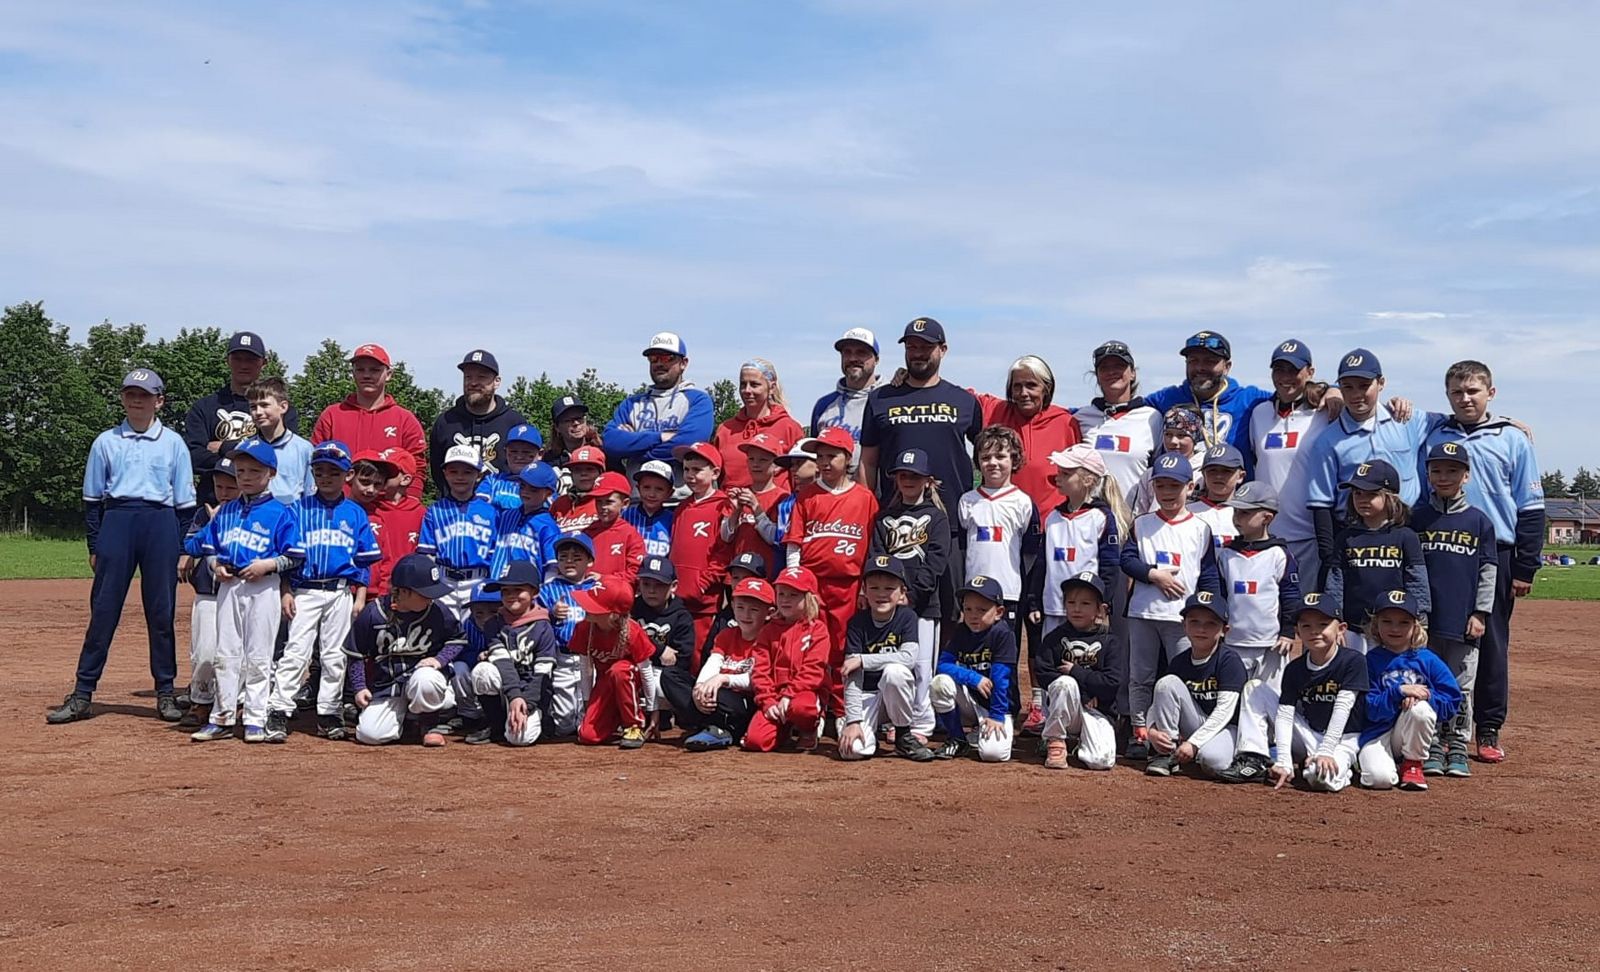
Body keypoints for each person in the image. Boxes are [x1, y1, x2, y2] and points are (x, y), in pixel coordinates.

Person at [51, 370, 197, 726]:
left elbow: (185, 505)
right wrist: (94, 543)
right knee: (103, 610)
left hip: (160, 521)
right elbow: (92, 501)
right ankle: (83, 692)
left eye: (144, 395)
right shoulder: (106, 441)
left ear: (159, 400)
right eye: (131, 394)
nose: (137, 400)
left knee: (161, 612)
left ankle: (165, 692)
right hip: (117, 519)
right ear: (122, 399)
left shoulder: (173, 442)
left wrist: (183, 548)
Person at [1421, 359, 1544, 764]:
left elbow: (1531, 506)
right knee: (1437, 637)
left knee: (1490, 642)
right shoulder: (1435, 432)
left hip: (1497, 551)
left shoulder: (1512, 438)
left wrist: (1525, 566)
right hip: (1440, 544)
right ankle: (1439, 727)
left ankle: (1488, 727)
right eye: (1456, 392)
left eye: (1473, 391)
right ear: (1447, 396)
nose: (1465, 398)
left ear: (1491, 393)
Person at [859, 317, 983, 617]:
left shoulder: (964, 401)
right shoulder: (881, 399)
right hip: (895, 525)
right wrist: (867, 510)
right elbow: (868, 461)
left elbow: (986, 451)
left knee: (951, 613)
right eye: (911, 347)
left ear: (943, 350)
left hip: (950, 524)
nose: (917, 353)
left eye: (925, 347)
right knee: (894, 611)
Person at [188, 439, 302, 742]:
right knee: (226, 653)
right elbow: (207, 547)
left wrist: (268, 565)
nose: (246, 477)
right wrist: (215, 565)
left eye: (254, 471)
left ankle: (255, 717)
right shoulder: (226, 511)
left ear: (271, 473)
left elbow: (295, 555)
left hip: (263, 586)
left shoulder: (281, 512)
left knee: (259, 654)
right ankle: (222, 717)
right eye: (241, 471)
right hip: (230, 585)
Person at [265, 441, 380, 742]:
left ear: (348, 475)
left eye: (334, 472)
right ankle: (278, 709)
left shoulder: (355, 513)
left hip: (340, 591)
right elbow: (286, 557)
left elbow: (364, 560)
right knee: (296, 652)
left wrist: (360, 596)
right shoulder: (297, 509)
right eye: (320, 471)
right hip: (305, 589)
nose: (326, 477)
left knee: (335, 655)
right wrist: (286, 590)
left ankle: (329, 713)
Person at [1119, 452, 1220, 760]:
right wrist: (1154, 575)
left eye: (1174, 486)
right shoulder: (1142, 523)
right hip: (1143, 612)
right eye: (1160, 485)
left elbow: (1209, 576)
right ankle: (1139, 732)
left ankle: (1175, 733)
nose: (1167, 492)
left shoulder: (1200, 528)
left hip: (1182, 619)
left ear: (1190, 487)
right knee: (1141, 677)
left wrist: (1211, 613)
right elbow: (1127, 560)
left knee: (1181, 679)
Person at [1027, 444, 1126, 733]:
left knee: (1089, 663)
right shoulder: (1053, 517)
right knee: (1053, 667)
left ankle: (1094, 722)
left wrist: (1104, 604)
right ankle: (1052, 725)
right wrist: (1034, 601)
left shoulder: (1101, 517)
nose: (1057, 477)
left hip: (1088, 612)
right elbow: (1042, 564)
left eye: (1066, 472)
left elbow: (1109, 567)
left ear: (1088, 479)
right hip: (1054, 608)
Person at [1411, 441, 1497, 777]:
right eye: (1436, 470)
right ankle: (1432, 742)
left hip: (1463, 620)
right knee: (1427, 680)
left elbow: (1488, 570)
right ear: (1428, 474)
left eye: (1452, 470)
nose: (1443, 477)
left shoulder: (1479, 521)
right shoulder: (1417, 518)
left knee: (1461, 686)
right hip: (1426, 621)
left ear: (1466, 476)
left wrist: (1481, 612)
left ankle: (1458, 743)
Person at [1301, 348, 1431, 567]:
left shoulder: (1407, 419)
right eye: (1348, 387)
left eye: (1364, 386)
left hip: (1407, 532)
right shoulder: (1328, 440)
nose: (1356, 394)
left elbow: (1457, 423)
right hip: (1356, 537)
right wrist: (1330, 559)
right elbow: (1321, 503)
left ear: (1381, 383)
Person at [784, 427, 877, 717]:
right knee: (810, 645)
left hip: (849, 585)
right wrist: (794, 582)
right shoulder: (807, 496)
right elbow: (795, 543)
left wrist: (866, 587)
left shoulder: (864, 498)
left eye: (831, 456)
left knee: (842, 647)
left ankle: (841, 709)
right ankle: (813, 706)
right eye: (820, 456)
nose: (824, 462)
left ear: (847, 458)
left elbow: (873, 549)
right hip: (813, 585)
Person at [1233, 592, 1366, 792]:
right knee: (1255, 688)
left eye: (1323, 624)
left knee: (1319, 778)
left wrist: (1326, 751)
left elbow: (1343, 707)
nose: (1314, 631)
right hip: (1308, 733)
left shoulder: (1353, 661)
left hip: (1342, 740)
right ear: (1297, 632)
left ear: (1341, 629)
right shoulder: (1295, 668)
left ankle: (1346, 768)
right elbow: (1285, 714)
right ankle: (1255, 757)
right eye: (1306, 626)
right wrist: (1284, 760)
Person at [1143, 330, 1340, 460]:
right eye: (1193, 361)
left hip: (1235, 505)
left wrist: (1333, 389)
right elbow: (1130, 406)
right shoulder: (1167, 399)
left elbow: (1289, 391)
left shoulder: (1249, 400)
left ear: (1227, 367)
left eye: (1210, 361)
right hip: (1180, 503)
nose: (1200, 367)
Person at [868, 448, 949, 742]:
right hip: (890, 605)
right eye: (903, 475)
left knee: (921, 666)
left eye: (915, 475)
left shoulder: (936, 517)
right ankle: (896, 719)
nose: (908, 480)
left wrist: (912, 593)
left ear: (928, 480)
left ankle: (922, 723)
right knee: (893, 663)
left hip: (924, 605)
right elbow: (877, 558)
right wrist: (889, 595)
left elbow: (937, 561)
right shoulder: (885, 517)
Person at [345, 553, 468, 747]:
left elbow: (457, 639)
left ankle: (429, 724)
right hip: (387, 685)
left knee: (426, 679)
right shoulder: (374, 613)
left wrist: (440, 660)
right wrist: (359, 687)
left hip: (421, 679)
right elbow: (356, 653)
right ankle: (407, 719)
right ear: (403, 591)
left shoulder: (437, 610)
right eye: (425, 594)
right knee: (370, 735)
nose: (431, 599)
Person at [183, 331, 300, 515]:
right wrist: (247, 464)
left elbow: (279, 454)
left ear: (264, 362)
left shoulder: (280, 410)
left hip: (266, 507)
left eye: (251, 359)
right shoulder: (204, 407)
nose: (244, 365)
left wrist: (225, 447)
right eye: (237, 358)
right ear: (227, 361)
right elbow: (194, 457)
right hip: (213, 505)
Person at [1357, 590, 1462, 791]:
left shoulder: (1427, 659)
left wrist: (1425, 697)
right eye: (1387, 621)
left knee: (1420, 710)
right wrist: (1398, 692)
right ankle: (1382, 761)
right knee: (1379, 780)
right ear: (1376, 625)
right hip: (1377, 732)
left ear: (1415, 626)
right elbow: (1369, 709)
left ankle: (1413, 764)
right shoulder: (1369, 661)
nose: (1395, 628)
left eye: (1404, 622)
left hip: (1410, 730)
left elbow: (1451, 700)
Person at [1322, 459, 1430, 654]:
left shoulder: (1405, 536)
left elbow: (1417, 581)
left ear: (1390, 497)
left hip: (1393, 628)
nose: (1362, 499)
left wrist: (1420, 619)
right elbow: (1335, 583)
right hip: (1353, 629)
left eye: (1371, 494)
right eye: (1357, 493)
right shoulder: (1346, 538)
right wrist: (1334, 619)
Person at [836, 556, 935, 762]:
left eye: (889, 588)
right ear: (864, 590)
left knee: (895, 672)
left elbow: (908, 658)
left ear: (902, 593)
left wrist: (863, 660)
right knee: (852, 751)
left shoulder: (907, 617)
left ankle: (903, 735)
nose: (881, 594)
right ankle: (867, 730)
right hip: (868, 694)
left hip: (897, 697)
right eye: (874, 588)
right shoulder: (857, 623)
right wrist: (853, 721)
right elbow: (852, 676)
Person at [968, 355, 1083, 519]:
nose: (1023, 393)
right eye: (1017, 386)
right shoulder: (995, 410)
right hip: (1001, 522)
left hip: (1052, 524)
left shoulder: (1066, 423)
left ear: (1047, 388)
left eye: (1031, 385)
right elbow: (956, 396)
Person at [1144, 592, 1245, 779]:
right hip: (1197, 721)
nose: (1201, 629)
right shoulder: (1179, 661)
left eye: (1211, 624)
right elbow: (1160, 698)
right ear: (1184, 625)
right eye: (1194, 622)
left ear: (1225, 630)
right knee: (1166, 683)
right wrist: (1151, 730)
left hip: (1227, 726)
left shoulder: (1229, 661)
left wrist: (1194, 743)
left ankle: (1223, 753)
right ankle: (1167, 753)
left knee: (1214, 761)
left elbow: (1225, 711)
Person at [312, 343, 427, 500]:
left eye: (374, 370)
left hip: (387, 506)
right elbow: (315, 459)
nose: (367, 375)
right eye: (360, 370)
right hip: (339, 504)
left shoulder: (405, 419)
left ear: (388, 374)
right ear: (353, 373)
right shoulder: (332, 415)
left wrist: (411, 502)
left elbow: (417, 467)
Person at [1215, 482, 1299, 691]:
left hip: (1271, 644)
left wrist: (1288, 632)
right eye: (1235, 511)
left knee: (1269, 696)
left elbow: (1290, 597)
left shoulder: (1279, 554)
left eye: (1245, 513)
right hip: (1233, 641)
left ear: (1267, 518)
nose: (1237, 518)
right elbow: (1220, 596)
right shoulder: (1226, 554)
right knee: (1233, 694)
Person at [1036, 572, 1123, 771]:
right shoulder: (1054, 639)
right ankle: (1055, 740)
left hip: (1098, 709)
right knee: (1064, 683)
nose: (1076, 609)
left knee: (1100, 761)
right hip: (1068, 708)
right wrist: (1083, 693)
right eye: (1071, 602)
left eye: (1085, 603)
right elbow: (1043, 673)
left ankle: (1079, 745)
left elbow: (1112, 682)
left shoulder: (1110, 641)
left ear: (1100, 609)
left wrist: (1076, 671)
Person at [929, 574, 1019, 763]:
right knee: (940, 683)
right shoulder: (961, 631)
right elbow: (942, 665)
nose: (973, 615)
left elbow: (1001, 679)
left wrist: (997, 715)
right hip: (970, 699)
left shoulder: (1003, 634)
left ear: (999, 612)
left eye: (982, 610)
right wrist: (973, 678)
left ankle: (985, 730)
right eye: (968, 609)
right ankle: (957, 738)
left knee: (993, 754)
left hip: (997, 705)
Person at [466, 562, 558, 747]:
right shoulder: (493, 624)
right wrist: (515, 697)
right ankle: (496, 724)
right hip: (508, 690)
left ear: (534, 592)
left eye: (518, 589)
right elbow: (503, 664)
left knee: (520, 739)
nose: (510, 595)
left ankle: (541, 716)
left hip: (533, 692)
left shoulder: (543, 626)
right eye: (505, 591)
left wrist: (527, 704)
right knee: (483, 670)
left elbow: (543, 674)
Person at [673, 576, 770, 751]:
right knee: (671, 676)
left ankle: (721, 728)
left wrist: (722, 679)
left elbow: (758, 681)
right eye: (740, 607)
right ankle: (716, 728)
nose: (746, 615)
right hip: (716, 696)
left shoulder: (769, 639)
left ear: (769, 613)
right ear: (732, 606)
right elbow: (714, 661)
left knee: (722, 696)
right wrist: (700, 687)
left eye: (754, 610)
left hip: (743, 700)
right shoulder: (727, 634)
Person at [603, 331, 715, 481]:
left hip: (681, 494)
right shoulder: (631, 404)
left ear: (683, 363)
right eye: (653, 358)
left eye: (667, 358)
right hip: (637, 493)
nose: (659, 364)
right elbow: (611, 443)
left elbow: (687, 445)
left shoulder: (698, 400)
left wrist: (634, 449)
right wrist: (660, 437)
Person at [743, 567, 832, 753]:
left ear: (808, 598)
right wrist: (768, 701)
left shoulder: (818, 629)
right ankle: (784, 729)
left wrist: (789, 695)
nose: (785, 599)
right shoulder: (768, 630)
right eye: (781, 593)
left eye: (793, 595)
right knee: (756, 741)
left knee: (802, 708)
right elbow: (760, 670)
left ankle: (809, 728)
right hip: (775, 695)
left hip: (804, 693)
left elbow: (814, 670)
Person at [177, 457, 237, 728]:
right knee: (204, 652)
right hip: (207, 593)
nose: (223, 493)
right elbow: (191, 544)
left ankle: (234, 703)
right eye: (219, 486)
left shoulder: (248, 515)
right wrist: (214, 524)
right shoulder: (205, 513)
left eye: (230, 487)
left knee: (234, 654)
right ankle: (201, 700)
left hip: (237, 592)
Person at [1072, 341, 1164, 501]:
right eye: (1104, 368)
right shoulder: (1081, 417)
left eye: (1119, 366)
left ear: (1132, 373)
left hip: (1136, 514)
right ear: (1097, 376)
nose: (1111, 372)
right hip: (1091, 513)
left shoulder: (1152, 418)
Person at [568, 579, 654, 749]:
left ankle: (634, 725)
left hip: (630, 684)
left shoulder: (632, 630)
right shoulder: (584, 628)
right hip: (605, 683)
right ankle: (617, 719)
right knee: (588, 736)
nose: (585, 608)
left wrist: (653, 710)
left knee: (619, 670)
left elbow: (646, 672)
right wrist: (587, 702)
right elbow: (586, 670)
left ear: (613, 615)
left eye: (594, 606)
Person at [429, 349, 528, 495]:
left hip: (503, 506)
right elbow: (437, 471)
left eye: (481, 377)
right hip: (456, 506)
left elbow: (526, 468)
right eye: (468, 377)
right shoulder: (446, 422)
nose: (473, 383)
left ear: (496, 382)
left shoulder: (515, 423)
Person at [416, 443, 498, 619]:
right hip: (444, 580)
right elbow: (427, 553)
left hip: (478, 580)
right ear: (445, 473)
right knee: (444, 629)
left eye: (467, 472)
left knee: (476, 630)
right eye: (453, 471)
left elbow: (496, 554)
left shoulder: (491, 512)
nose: (460, 477)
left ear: (478, 475)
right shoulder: (435, 511)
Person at [669, 441, 734, 650]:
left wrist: (703, 584)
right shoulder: (682, 506)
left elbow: (724, 552)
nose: (690, 475)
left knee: (697, 653)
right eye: (686, 469)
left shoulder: (724, 505)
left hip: (703, 602)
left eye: (697, 470)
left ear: (715, 473)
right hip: (676, 597)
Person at [538, 534, 601, 736]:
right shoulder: (548, 590)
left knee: (589, 707)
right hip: (563, 656)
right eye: (563, 557)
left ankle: (588, 728)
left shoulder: (597, 588)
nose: (569, 561)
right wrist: (551, 613)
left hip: (591, 656)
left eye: (577, 557)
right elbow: (536, 619)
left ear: (590, 561)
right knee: (564, 723)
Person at [631, 556, 698, 737]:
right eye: (646, 584)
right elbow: (624, 642)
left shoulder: (682, 616)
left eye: (659, 585)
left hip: (663, 676)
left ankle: (673, 714)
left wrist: (643, 647)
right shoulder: (632, 609)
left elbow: (680, 659)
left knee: (667, 680)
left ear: (673, 586)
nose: (651, 591)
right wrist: (659, 650)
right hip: (638, 668)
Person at [715, 358, 804, 490]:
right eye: (743, 384)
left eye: (754, 384)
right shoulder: (725, 430)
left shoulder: (789, 428)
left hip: (776, 502)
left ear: (771, 388)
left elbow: (800, 477)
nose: (747, 390)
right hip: (731, 502)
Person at [351, 448, 422, 599]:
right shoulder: (367, 510)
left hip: (398, 591)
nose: (371, 488)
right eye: (365, 481)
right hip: (348, 591)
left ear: (405, 479)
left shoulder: (421, 513)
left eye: (385, 476)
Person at [811, 326, 881, 475]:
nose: (852, 358)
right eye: (847, 352)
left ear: (876, 359)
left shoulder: (888, 400)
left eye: (861, 352)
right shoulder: (824, 405)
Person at [721, 433, 789, 574]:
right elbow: (726, 537)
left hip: (765, 574)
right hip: (737, 572)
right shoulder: (740, 493)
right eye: (751, 459)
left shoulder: (783, 498)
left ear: (776, 466)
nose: (755, 464)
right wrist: (736, 510)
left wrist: (755, 507)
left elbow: (775, 538)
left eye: (763, 460)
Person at [486, 461, 561, 581]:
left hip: (526, 587)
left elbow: (551, 567)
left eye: (533, 489)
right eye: (522, 486)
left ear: (548, 493)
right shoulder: (506, 516)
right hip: (496, 582)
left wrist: (546, 589)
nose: (526, 491)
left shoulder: (548, 526)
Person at [246, 377, 314, 503]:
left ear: (283, 407)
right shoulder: (245, 449)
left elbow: (310, 495)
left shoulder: (303, 449)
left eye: (264, 405)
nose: (258, 412)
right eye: (253, 407)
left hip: (292, 514)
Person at [1126, 406, 1204, 515]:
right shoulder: (1150, 474)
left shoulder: (1204, 472)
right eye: (1168, 434)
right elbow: (1139, 513)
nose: (1173, 441)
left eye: (1181, 435)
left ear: (1195, 438)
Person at [584, 471, 646, 585]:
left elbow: (635, 573)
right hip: (586, 591)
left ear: (625, 503)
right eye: (598, 502)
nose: (603, 507)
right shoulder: (587, 532)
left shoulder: (630, 534)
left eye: (609, 502)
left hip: (617, 592)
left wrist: (604, 579)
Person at [1188, 444, 1246, 549]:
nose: (1218, 476)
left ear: (1240, 476)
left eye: (1227, 471)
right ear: (1204, 474)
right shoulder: (1187, 512)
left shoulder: (1248, 514)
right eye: (1212, 470)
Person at [475, 423, 545, 511]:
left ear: (540, 454)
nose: (519, 457)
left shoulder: (545, 485)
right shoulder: (492, 480)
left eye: (526, 452)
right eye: (513, 451)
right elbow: (477, 507)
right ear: (505, 453)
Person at [545, 394, 604, 491]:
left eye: (579, 418)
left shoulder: (603, 449)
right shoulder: (549, 459)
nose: (576, 423)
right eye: (568, 420)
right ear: (557, 427)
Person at [622, 460, 676, 559]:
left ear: (670, 493)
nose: (652, 494)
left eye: (659, 489)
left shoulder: (673, 520)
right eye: (646, 487)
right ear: (638, 488)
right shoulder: (625, 516)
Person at [551, 444, 606, 532]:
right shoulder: (559, 504)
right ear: (571, 474)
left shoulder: (607, 502)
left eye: (590, 469)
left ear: (601, 473)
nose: (583, 473)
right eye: (577, 470)